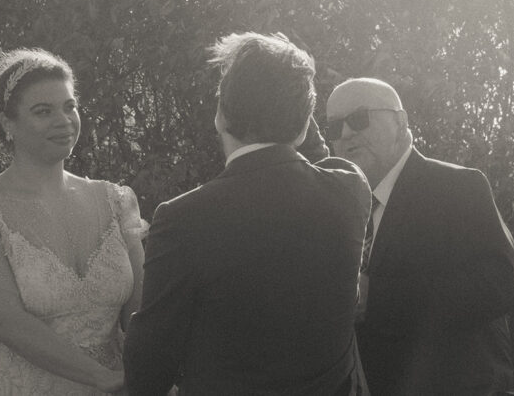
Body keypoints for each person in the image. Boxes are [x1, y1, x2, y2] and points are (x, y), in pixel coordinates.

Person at [123, 33, 371, 395]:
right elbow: (313, 153)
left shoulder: (183, 218)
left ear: (220, 115)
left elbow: (149, 361)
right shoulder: (350, 192)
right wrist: (294, 97)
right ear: (304, 123)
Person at [0, 48, 147, 394]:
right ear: (7, 123)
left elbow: (139, 310)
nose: (63, 120)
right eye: (42, 111)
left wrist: (153, 370)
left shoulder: (116, 202)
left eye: (69, 106)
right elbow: (9, 324)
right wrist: (104, 379)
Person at [324, 77, 514, 395]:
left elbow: (498, 285)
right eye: (334, 127)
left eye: (359, 119)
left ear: (400, 122)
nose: (346, 134)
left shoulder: (458, 188)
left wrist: (380, 297)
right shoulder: (339, 207)